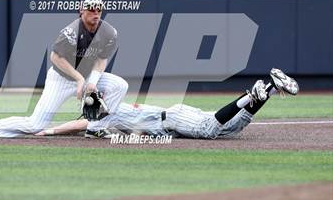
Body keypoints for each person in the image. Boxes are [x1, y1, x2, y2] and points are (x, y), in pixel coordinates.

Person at [0, 0, 128, 139]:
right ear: (81, 10)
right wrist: (78, 79)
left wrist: (92, 81)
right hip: (61, 79)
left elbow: (101, 59)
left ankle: (95, 129)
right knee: (35, 125)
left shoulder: (109, 32)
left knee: (120, 85)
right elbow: (56, 57)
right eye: (91, 8)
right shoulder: (71, 32)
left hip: (86, 77)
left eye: (99, 8)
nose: (96, 12)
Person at [36, 69, 299, 139]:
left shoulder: (106, 114)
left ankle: (249, 95)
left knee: (208, 130)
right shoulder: (109, 109)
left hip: (172, 119)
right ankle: (270, 89)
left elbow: (80, 124)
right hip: (173, 117)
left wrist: (49, 130)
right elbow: (86, 123)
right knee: (232, 129)